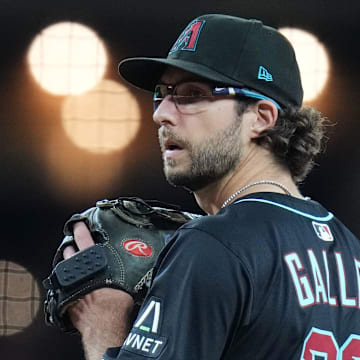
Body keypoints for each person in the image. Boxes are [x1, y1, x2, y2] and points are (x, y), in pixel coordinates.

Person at [64, 14, 360, 360]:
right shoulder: (350, 250)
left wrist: (103, 322)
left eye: (192, 94)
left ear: (262, 118)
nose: (162, 114)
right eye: (163, 93)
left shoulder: (214, 244)